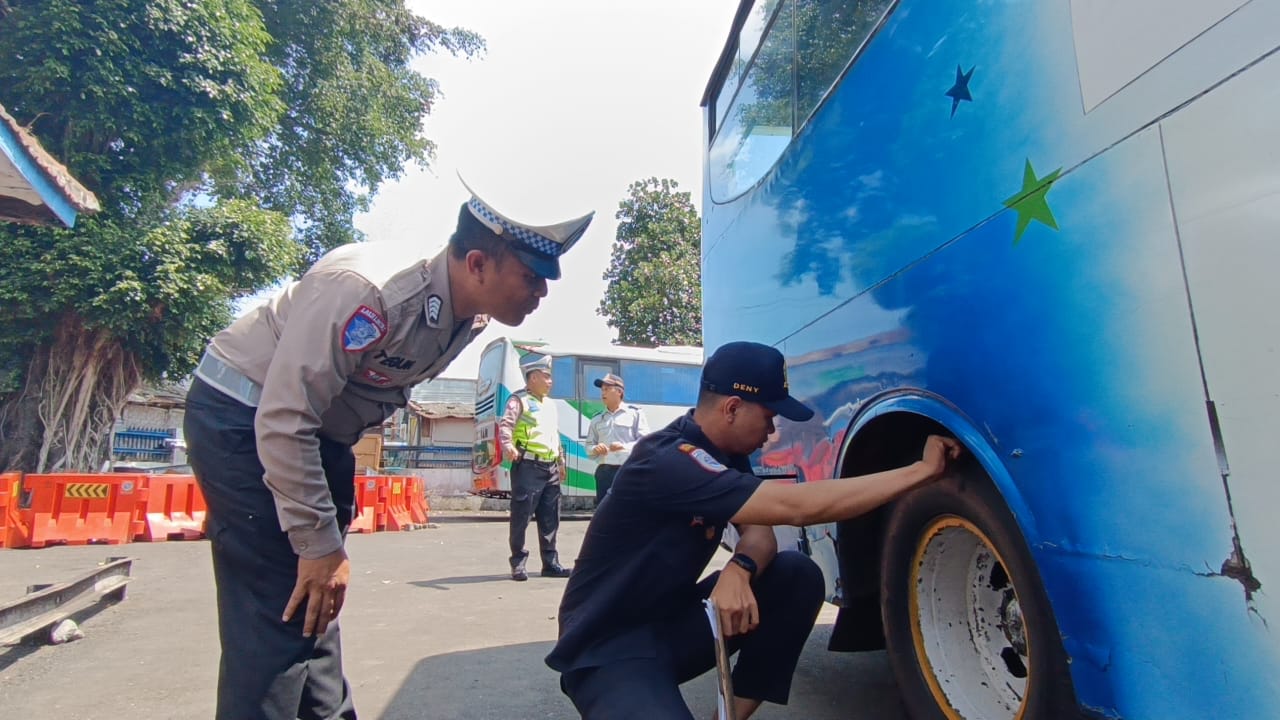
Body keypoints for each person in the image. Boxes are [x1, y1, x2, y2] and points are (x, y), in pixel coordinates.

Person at [183, 178, 593, 720]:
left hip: (319, 437)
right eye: (531, 278)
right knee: (277, 616)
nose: (540, 293)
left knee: (317, 609)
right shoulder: (368, 291)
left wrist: (326, 546)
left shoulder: (468, 315)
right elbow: (283, 418)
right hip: (247, 423)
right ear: (477, 264)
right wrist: (317, 542)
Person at [546, 341, 963, 720]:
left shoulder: (725, 453)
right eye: (768, 417)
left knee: (796, 575)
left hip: (668, 630)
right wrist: (921, 471)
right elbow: (792, 508)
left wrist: (739, 568)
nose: (771, 432)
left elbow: (761, 533)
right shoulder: (668, 460)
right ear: (731, 408)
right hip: (606, 648)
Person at [499, 354, 572, 581]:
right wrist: (509, 445)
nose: (551, 382)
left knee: (551, 516)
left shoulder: (550, 405)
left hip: (550, 467)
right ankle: (518, 563)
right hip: (528, 466)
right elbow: (506, 425)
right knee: (522, 515)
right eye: (546, 377)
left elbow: (554, 435)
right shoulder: (518, 400)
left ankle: (550, 563)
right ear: (532, 378)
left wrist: (560, 461)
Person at [584, 372, 649, 502]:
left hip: (628, 470)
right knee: (605, 513)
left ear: (619, 392)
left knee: (629, 512)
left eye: (607, 389)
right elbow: (588, 446)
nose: (603, 393)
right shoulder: (597, 419)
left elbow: (645, 442)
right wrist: (595, 449)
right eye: (602, 390)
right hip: (604, 472)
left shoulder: (635, 414)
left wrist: (623, 447)